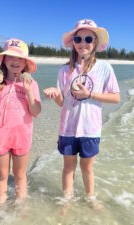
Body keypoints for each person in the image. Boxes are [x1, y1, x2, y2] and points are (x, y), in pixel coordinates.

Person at [43, 19, 120, 206]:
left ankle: (90, 199)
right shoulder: (64, 70)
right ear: (73, 43)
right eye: (78, 38)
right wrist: (55, 95)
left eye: (88, 38)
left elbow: (116, 97)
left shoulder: (104, 68)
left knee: (87, 168)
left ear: (95, 43)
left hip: (90, 129)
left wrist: (90, 94)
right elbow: (63, 103)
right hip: (68, 128)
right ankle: (66, 202)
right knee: (68, 168)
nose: (83, 43)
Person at [0, 38, 41, 204]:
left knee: (20, 174)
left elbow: (36, 112)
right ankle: (2, 209)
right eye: (11, 57)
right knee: (2, 174)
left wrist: (28, 92)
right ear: (3, 60)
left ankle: (20, 208)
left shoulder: (31, 84)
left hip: (22, 137)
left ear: (25, 63)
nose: (15, 61)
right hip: (0, 137)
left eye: (20, 58)